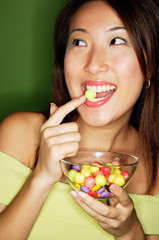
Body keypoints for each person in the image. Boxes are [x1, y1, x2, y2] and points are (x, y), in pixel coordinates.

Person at [0, 0, 159, 239]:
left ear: (149, 65)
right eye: (79, 42)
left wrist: (130, 231)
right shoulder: (20, 134)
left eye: (116, 41)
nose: (93, 65)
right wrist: (41, 176)